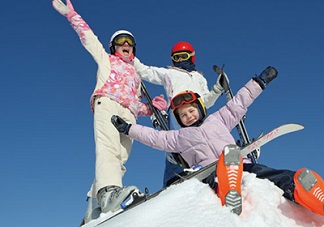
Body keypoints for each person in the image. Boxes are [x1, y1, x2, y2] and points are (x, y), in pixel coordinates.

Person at [111, 66, 324, 217]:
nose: (188, 116)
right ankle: (228, 190)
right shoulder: (177, 137)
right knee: (219, 172)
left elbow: (238, 103)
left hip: (242, 163)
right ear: (179, 120)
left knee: (272, 174)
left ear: (201, 109)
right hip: (211, 171)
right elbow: (153, 137)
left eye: (191, 110)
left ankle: (301, 188)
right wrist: (129, 129)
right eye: (183, 116)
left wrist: (259, 82)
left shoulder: (218, 119)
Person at [52, 0, 167, 224]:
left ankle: (94, 205)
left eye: (130, 43)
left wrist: (152, 107)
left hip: (129, 116)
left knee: (120, 158)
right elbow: (89, 38)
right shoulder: (107, 59)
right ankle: (109, 192)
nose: (126, 44)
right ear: (113, 46)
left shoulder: (136, 74)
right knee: (108, 149)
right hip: (107, 103)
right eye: (121, 42)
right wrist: (71, 15)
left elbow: (134, 102)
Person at [134, 41, 227, 187]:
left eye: (183, 56)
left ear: (191, 57)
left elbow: (206, 101)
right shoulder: (169, 73)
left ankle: (210, 165)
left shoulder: (199, 78)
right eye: (176, 58)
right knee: (177, 146)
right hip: (178, 113)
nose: (180, 61)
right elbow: (146, 71)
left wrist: (217, 89)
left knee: (206, 141)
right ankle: (173, 180)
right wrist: (131, 58)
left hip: (198, 112)